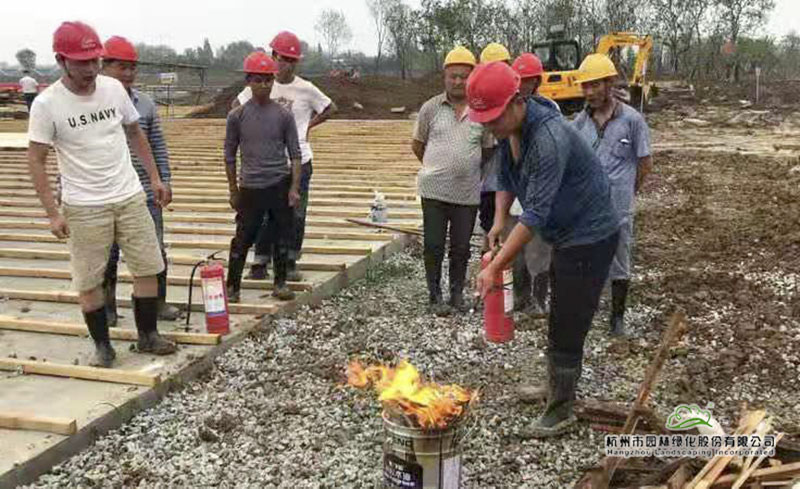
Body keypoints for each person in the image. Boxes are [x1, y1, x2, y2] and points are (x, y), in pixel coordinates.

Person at [470, 62, 621, 437]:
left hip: (589, 236)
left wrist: (494, 267)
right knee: (560, 313)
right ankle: (555, 387)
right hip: (564, 234)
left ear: (516, 101)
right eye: (484, 120)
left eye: (493, 118)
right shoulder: (510, 130)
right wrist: (499, 220)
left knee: (568, 320)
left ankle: (561, 410)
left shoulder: (548, 138)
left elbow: (535, 215)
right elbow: (507, 178)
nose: (490, 126)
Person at [27, 21, 176, 367]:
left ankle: (148, 335)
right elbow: (36, 159)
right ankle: (103, 347)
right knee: (89, 279)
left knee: (148, 266)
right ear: (61, 60)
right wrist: (52, 213)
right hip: (84, 205)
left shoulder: (113, 89)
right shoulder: (47, 104)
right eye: (81, 62)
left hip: (129, 195)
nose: (91, 69)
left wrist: (154, 178)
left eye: (94, 61)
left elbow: (135, 132)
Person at [233, 31, 336, 282]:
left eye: (292, 60)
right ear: (273, 56)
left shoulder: (305, 89)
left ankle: (290, 261)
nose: (287, 65)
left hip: (299, 161)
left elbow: (330, 107)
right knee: (262, 213)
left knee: (295, 214)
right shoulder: (263, 83)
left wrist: (308, 126)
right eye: (283, 59)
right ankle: (260, 261)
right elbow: (236, 108)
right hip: (268, 164)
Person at [101, 36, 182, 326]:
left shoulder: (144, 104)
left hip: (145, 191)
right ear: (104, 67)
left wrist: (164, 179)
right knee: (107, 254)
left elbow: (157, 144)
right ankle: (107, 308)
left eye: (132, 68)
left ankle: (157, 302)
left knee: (154, 248)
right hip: (107, 193)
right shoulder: (93, 105)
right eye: (121, 67)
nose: (128, 73)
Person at [572, 54, 653, 337]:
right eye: (585, 86)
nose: (590, 92)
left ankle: (617, 318)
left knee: (619, 259)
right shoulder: (579, 124)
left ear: (610, 84)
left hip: (618, 208)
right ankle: (586, 311)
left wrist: (628, 190)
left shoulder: (632, 121)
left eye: (595, 85)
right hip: (587, 209)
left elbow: (644, 163)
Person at [411, 46, 493, 315]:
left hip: (467, 193)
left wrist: (466, 167)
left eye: (463, 76)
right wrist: (438, 167)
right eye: (453, 76)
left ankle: (456, 294)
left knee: (461, 246)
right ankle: (434, 296)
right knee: (433, 244)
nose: (458, 81)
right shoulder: (430, 108)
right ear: (444, 77)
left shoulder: (481, 110)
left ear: (472, 78)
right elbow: (418, 144)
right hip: (434, 191)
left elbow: (487, 149)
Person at [224, 52, 301, 303]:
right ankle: (232, 286)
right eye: (258, 80)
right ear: (248, 81)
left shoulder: (284, 115)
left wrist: (294, 188)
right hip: (251, 187)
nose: (264, 85)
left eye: (268, 80)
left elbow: (295, 154)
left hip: (278, 184)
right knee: (243, 237)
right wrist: (233, 190)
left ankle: (280, 282)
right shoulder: (237, 116)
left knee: (281, 235)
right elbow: (229, 156)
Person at [506, 52, 554, 315]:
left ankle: (539, 299)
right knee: (516, 249)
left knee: (539, 250)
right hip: (516, 188)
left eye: (527, 80)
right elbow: (511, 158)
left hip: (541, 189)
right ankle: (520, 297)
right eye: (519, 80)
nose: (523, 85)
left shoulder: (548, 109)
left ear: (536, 81)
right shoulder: (509, 109)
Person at [476, 43, 512, 250]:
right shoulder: (479, 103)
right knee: (489, 227)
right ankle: (489, 260)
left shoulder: (517, 102)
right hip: (489, 182)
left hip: (513, 183)